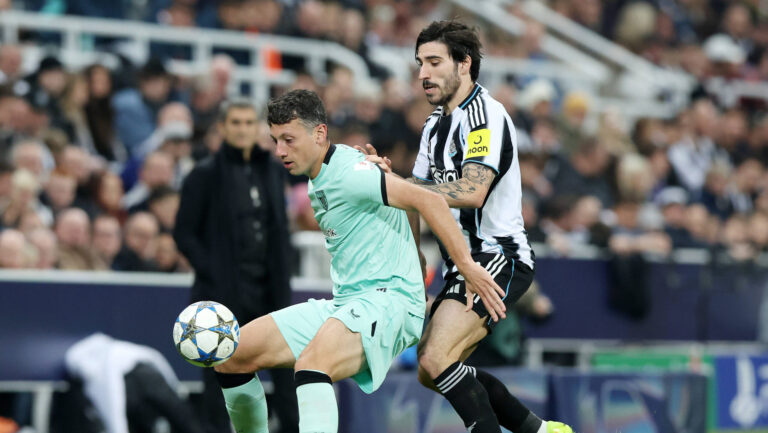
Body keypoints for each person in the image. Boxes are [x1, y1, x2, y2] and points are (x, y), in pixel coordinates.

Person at [212, 89, 505, 433]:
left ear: (319, 133)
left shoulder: (351, 171)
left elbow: (430, 200)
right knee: (232, 355)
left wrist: (467, 267)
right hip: (348, 302)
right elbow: (405, 202)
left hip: (387, 302)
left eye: (289, 140)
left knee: (313, 365)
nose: (280, 151)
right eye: (276, 140)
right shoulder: (324, 174)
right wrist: (416, 254)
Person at [359, 20, 572, 433]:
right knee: (432, 369)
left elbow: (473, 190)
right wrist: (413, 257)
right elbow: (416, 199)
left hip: (497, 256)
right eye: (420, 63)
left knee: (436, 359)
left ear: (464, 64)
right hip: (462, 261)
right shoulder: (433, 126)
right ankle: (541, 430)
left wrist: (398, 184)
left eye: (435, 62)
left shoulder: (484, 115)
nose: (423, 73)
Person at [173, 100, 299, 433]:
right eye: (235, 122)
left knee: (287, 373)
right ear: (223, 128)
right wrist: (212, 271)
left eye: (248, 123)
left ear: (258, 128)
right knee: (219, 376)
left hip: (269, 291)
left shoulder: (273, 171)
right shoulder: (203, 174)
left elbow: (280, 230)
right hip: (222, 294)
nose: (243, 129)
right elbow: (184, 232)